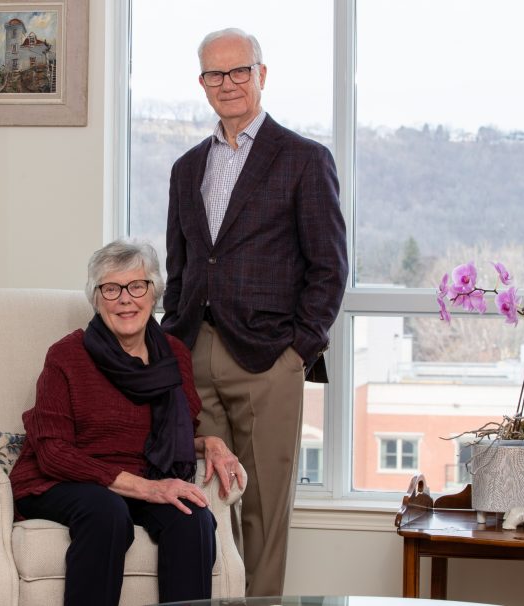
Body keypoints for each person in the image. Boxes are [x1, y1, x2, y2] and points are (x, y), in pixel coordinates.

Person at [162, 28, 348, 596]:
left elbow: (330, 268)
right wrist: (175, 344)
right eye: (216, 75)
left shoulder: (304, 160)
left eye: (240, 71)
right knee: (210, 507)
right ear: (202, 84)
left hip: (270, 360)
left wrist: (298, 351)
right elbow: (180, 268)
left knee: (264, 510)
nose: (229, 84)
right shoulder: (186, 168)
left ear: (262, 75)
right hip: (197, 354)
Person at [10, 239, 243, 606]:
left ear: (154, 294)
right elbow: (53, 452)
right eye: (111, 288)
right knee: (107, 511)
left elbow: (171, 432)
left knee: (193, 517)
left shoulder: (175, 355)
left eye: (137, 286)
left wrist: (207, 442)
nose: (125, 298)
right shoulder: (66, 356)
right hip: (62, 481)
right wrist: (147, 489)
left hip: (141, 475)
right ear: (96, 298)